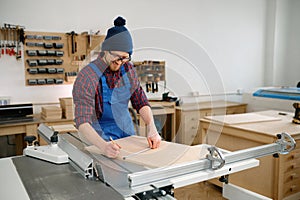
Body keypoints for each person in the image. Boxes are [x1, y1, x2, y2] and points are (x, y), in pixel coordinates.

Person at [72, 16, 161, 158]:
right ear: (105, 51)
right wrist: (102, 146)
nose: (120, 62)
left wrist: (152, 127)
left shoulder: (128, 69)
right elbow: (82, 122)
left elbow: (140, 101)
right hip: (99, 139)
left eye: (125, 58)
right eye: (117, 57)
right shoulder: (87, 77)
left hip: (127, 134)